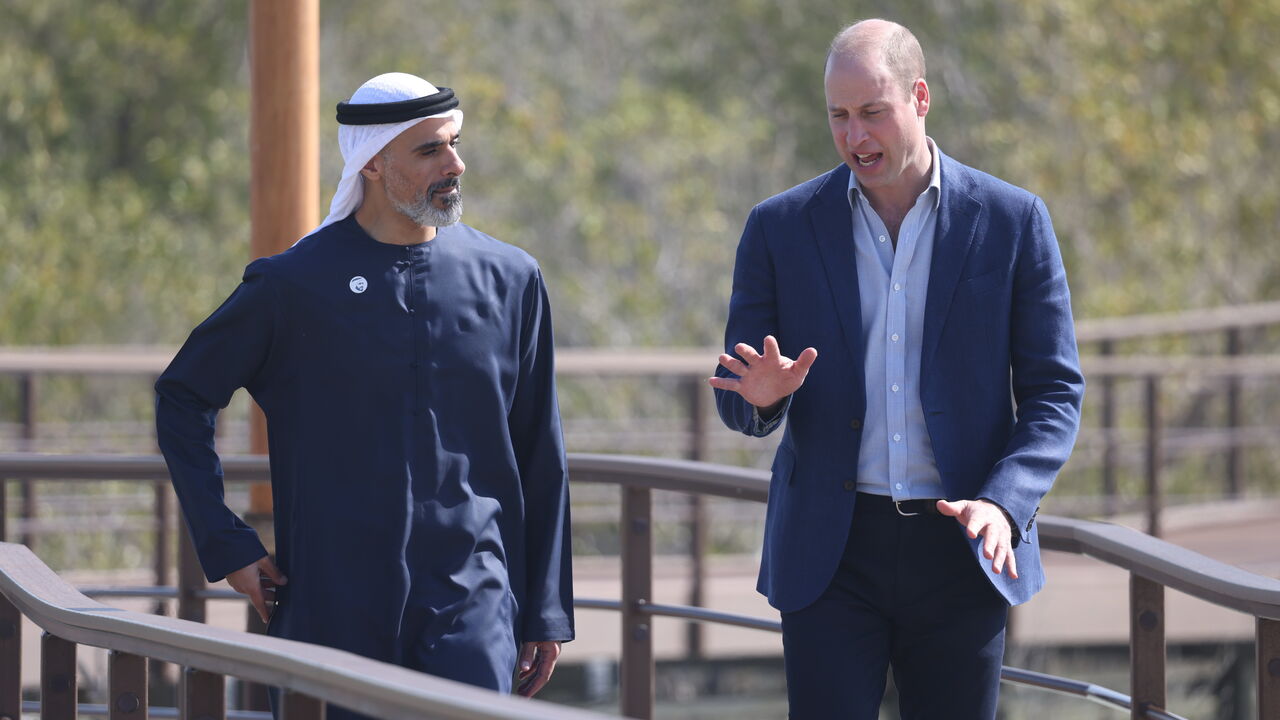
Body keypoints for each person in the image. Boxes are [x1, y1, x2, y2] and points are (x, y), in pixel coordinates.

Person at [156, 73, 574, 715]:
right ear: (374, 165)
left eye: (456, 144)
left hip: (474, 603)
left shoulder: (512, 279)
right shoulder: (290, 285)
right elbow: (183, 396)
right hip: (331, 603)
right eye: (431, 150)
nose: (455, 165)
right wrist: (227, 543)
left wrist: (544, 608)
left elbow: (539, 450)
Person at [709, 19, 1084, 720]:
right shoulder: (779, 227)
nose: (855, 137)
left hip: (963, 546)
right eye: (840, 117)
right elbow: (738, 395)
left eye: (872, 112)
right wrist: (760, 400)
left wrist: (1006, 501)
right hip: (831, 552)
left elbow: (1054, 392)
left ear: (919, 98)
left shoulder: (1012, 221)